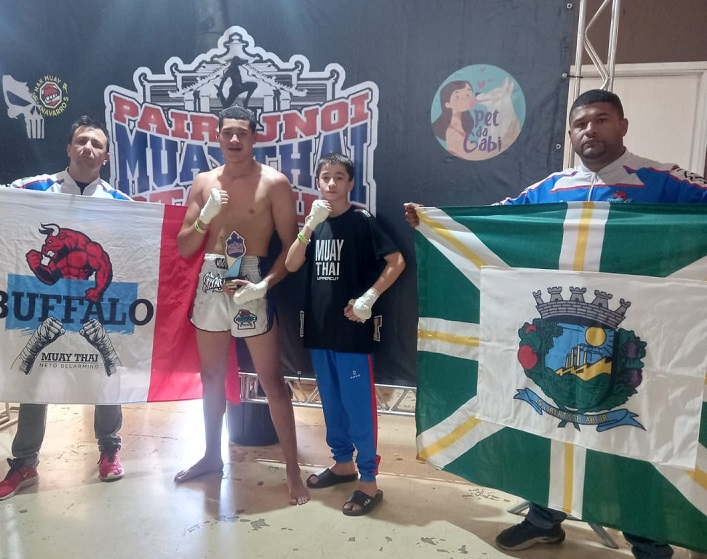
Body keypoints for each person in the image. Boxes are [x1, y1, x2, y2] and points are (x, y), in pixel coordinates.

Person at [406, 89, 707, 558]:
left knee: (634, 437)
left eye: (601, 120)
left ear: (622, 126)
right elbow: (494, 223)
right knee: (551, 423)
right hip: (563, 334)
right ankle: (545, 520)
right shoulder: (552, 188)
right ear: (570, 133)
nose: (590, 130)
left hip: (638, 337)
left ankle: (648, 542)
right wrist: (435, 223)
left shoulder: (663, 181)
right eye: (580, 123)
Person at [0, 116, 132, 502]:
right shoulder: (35, 189)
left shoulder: (121, 205)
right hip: (45, 300)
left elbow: (142, 249)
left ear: (106, 157)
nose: (88, 148)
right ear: (69, 148)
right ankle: (24, 462)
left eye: (96, 144)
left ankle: (109, 449)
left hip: (93, 303)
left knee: (106, 371)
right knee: (34, 375)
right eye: (81, 141)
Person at [175, 105, 310, 506]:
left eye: (242, 133)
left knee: (272, 380)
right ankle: (210, 456)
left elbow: (291, 247)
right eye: (228, 132)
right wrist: (205, 219)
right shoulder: (203, 182)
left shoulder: (274, 183)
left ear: (254, 137)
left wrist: (264, 284)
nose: (234, 139)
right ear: (217, 136)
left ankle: (292, 471)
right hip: (212, 277)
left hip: (251, 277)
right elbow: (185, 246)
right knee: (211, 377)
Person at [285, 153, 405, 516]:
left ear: (351, 183)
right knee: (332, 403)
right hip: (320, 330)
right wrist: (308, 226)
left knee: (358, 406)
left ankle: (368, 480)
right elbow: (291, 263)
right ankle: (342, 463)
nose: (332, 183)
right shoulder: (315, 223)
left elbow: (397, 261)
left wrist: (370, 297)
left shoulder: (361, 220)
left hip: (352, 332)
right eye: (326, 177)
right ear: (317, 182)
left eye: (339, 177)